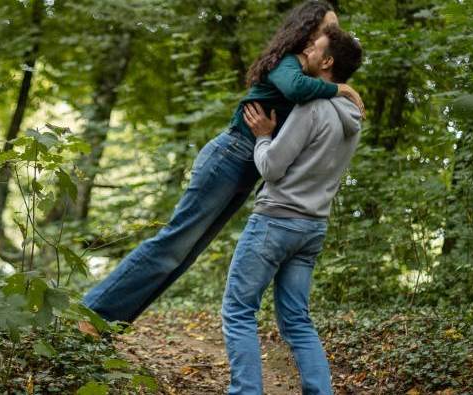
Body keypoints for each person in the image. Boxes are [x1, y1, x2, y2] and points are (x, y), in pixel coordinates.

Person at [79, 0, 364, 334]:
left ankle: (107, 327)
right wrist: (339, 87)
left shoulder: (314, 80)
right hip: (229, 157)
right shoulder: (289, 64)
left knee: (184, 257)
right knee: (173, 243)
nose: (333, 34)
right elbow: (295, 89)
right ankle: (90, 313)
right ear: (309, 31)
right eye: (328, 28)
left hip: (247, 171)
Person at [221, 25, 364, 395]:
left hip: (275, 222)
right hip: (313, 228)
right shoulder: (353, 116)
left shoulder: (311, 107)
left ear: (327, 61)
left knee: (238, 312)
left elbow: (271, 167)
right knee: (297, 321)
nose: (307, 54)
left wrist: (264, 136)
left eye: (314, 49)